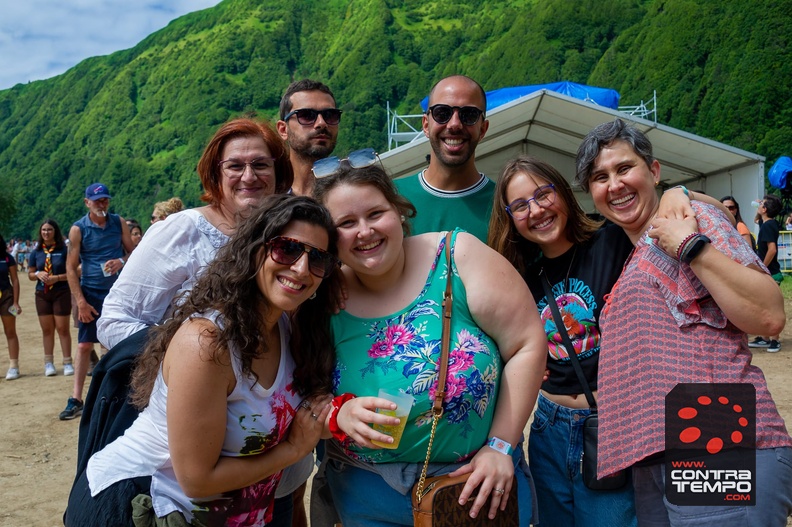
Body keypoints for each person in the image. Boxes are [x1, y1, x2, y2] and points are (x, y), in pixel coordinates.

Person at [67, 195, 340, 526]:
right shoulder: (207, 343)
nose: (300, 268)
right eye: (287, 248)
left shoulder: (287, 326)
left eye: (318, 259)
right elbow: (197, 480)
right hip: (142, 507)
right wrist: (294, 449)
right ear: (255, 249)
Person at [84, 117, 306, 522]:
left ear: (279, 173)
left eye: (261, 164)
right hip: (172, 476)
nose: (248, 176)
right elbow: (115, 319)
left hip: (265, 468)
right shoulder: (184, 230)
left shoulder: (292, 239)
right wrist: (190, 369)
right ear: (215, 175)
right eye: (234, 166)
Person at [575, 118, 792, 526]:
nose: (614, 184)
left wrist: (692, 245)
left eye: (624, 168)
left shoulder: (691, 223)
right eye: (600, 177)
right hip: (663, 450)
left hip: (715, 434)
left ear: (654, 171)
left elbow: (768, 314)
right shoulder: (637, 250)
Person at [312, 163, 546, 527]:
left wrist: (501, 446)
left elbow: (526, 344)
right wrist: (337, 415)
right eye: (346, 223)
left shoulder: (458, 257)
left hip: (472, 491)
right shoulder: (321, 295)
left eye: (376, 213)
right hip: (365, 499)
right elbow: (295, 393)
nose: (365, 231)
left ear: (399, 211)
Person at [488, 156, 637, 527]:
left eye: (543, 194)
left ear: (563, 192)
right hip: (547, 427)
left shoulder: (613, 240)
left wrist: (679, 194)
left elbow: (674, 212)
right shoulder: (518, 275)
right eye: (520, 205)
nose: (536, 210)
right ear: (510, 218)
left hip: (610, 424)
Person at [60, 183, 134, 420]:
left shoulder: (118, 222)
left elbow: (134, 252)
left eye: (105, 200)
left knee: (115, 345)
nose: (102, 204)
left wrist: (121, 261)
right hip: (90, 293)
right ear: (87, 203)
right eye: (97, 201)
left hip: (116, 293)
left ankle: (116, 397)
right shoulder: (78, 229)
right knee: (84, 346)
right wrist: (80, 301)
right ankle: (76, 399)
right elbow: (70, 268)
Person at [395, 75, 494, 242]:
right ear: (426, 125)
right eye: (442, 113)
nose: (454, 124)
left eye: (468, 115)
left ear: (483, 129)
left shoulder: (504, 205)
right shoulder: (391, 198)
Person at [277, 79, 341, 196]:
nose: (321, 123)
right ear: (283, 129)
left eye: (330, 115)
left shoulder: (350, 193)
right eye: (306, 115)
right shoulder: (266, 196)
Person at [27, 219, 73, 377]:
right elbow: (30, 275)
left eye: (49, 230)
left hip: (61, 291)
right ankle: (49, 363)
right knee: (47, 330)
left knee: (62, 328)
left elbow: (73, 272)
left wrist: (57, 278)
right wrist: (38, 274)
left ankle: (67, 362)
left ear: (55, 232)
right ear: (40, 232)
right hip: (42, 293)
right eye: (44, 230)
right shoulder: (37, 251)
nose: (46, 232)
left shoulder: (64, 250)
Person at [747, 194, 784, 352]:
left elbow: (772, 249)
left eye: (761, 203)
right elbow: (757, 219)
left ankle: (774, 340)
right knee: (763, 305)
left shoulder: (768, 226)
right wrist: (759, 208)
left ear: (765, 209)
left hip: (771, 272)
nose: (758, 204)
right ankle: (765, 338)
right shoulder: (767, 223)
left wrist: (763, 267)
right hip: (769, 272)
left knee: (770, 306)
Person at [0, 234, 22, 380]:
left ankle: (14, 366)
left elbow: (15, 279)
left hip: (6, 297)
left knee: (10, 332)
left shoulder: (7, 258)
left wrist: (16, 302)